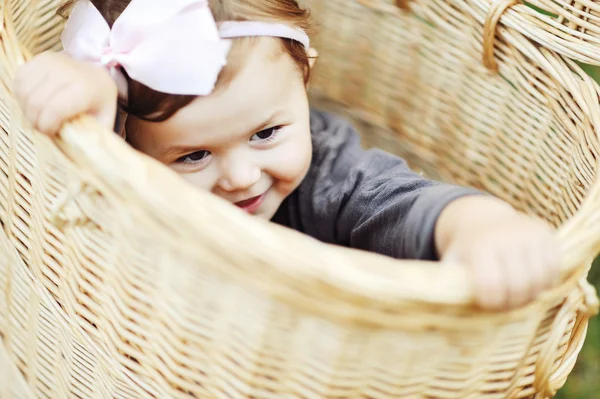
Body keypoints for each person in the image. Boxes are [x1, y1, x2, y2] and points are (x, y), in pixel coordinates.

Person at [13, 0, 560, 310]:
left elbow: (395, 202)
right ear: (129, 139)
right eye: (194, 155)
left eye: (267, 133)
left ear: (305, 79)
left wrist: (482, 227)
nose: (243, 176)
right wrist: (86, 94)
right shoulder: (125, 155)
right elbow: (91, 162)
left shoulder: (326, 175)